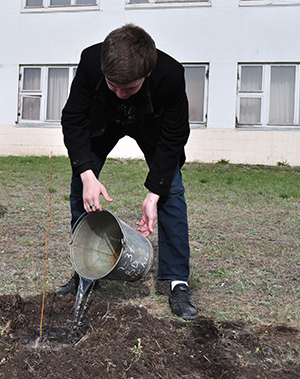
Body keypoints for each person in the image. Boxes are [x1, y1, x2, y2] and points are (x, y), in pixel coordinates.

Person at [58, 24, 198, 319]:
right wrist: (86, 175)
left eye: (129, 88)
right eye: (113, 86)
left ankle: (177, 281)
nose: (121, 94)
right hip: (102, 124)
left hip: (152, 127)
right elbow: (73, 119)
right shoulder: (90, 62)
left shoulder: (170, 75)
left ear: (147, 73)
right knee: (81, 188)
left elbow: (174, 136)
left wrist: (153, 194)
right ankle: (87, 272)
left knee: (171, 191)